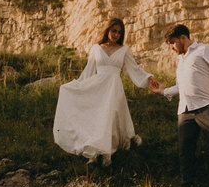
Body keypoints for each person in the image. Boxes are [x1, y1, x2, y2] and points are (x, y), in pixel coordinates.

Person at [51, 17, 148, 163]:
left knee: (111, 116)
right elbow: (88, 72)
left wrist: (149, 79)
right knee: (99, 117)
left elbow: (135, 69)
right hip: (99, 88)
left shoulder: (124, 50)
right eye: (114, 31)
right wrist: (76, 86)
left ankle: (107, 152)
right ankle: (95, 151)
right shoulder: (96, 48)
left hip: (114, 87)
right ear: (107, 30)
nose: (116, 34)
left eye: (119, 32)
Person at [164, 23, 209, 187]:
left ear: (183, 38)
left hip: (207, 106)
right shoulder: (180, 61)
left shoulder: (203, 50)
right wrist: (162, 91)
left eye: (173, 43)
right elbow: (180, 86)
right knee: (185, 151)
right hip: (185, 110)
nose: (171, 47)